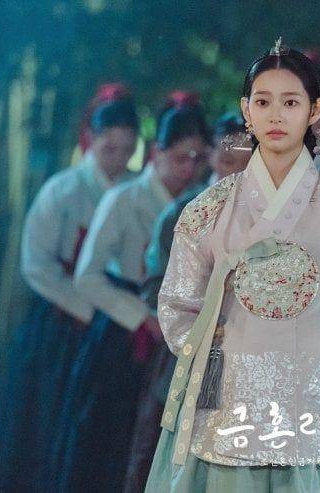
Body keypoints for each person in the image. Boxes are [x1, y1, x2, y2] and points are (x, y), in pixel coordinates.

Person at [144, 39, 320, 493]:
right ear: (246, 110)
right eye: (263, 102)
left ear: (315, 110)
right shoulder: (206, 211)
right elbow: (178, 307)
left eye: (291, 102)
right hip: (229, 398)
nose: (276, 116)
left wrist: (316, 365)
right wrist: (222, 362)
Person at [52, 98, 212, 492]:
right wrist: (141, 318)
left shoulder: (203, 205)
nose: (188, 169)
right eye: (180, 158)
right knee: (108, 436)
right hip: (122, 335)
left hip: (176, 336)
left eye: (197, 159)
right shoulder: (124, 199)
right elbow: (87, 277)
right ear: (158, 152)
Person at [0, 95, 139, 492]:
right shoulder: (63, 190)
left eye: (126, 149)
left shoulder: (135, 192)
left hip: (112, 326)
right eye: (109, 147)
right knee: (44, 418)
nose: (117, 158)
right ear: (91, 139)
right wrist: (85, 306)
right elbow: (36, 264)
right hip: (59, 326)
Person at [123, 112, 250, 493]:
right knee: (165, 459)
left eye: (244, 163)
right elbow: (156, 285)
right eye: (226, 160)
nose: (232, 171)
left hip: (245, 361)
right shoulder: (182, 213)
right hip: (186, 357)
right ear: (211, 155)